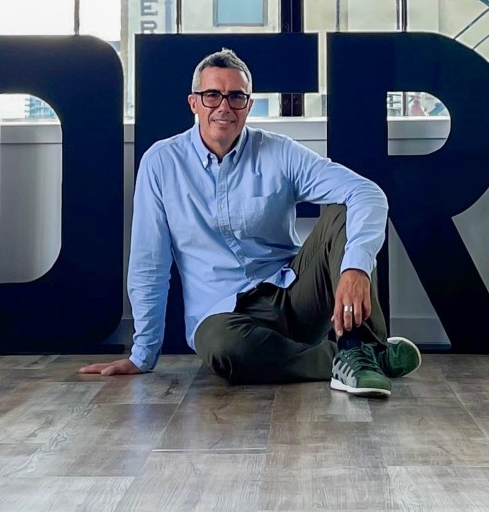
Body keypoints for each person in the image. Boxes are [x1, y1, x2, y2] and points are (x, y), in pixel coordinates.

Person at [80, 48, 421, 397]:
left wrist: (356, 269)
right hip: (223, 318)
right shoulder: (161, 163)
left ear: (249, 105)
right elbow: (149, 264)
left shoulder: (279, 152)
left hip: (293, 296)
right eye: (212, 95)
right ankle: (356, 357)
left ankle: (356, 347)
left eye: (236, 97)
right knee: (226, 349)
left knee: (344, 212)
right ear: (193, 103)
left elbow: (367, 193)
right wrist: (143, 354)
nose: (223, 107)